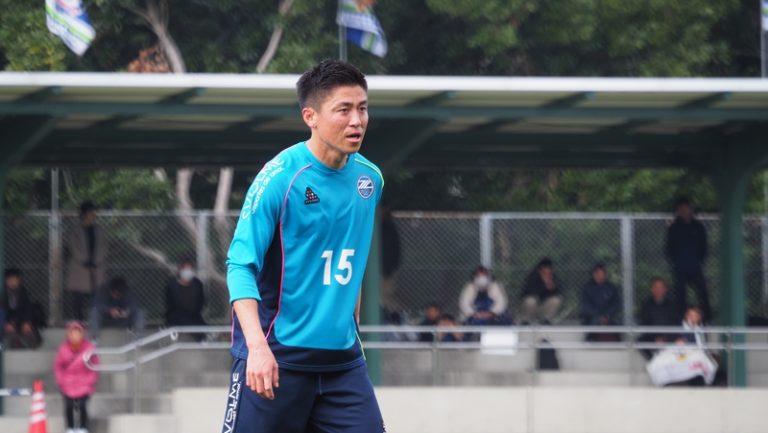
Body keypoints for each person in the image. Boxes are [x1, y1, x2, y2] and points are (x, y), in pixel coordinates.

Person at [222, 59, 384, 433]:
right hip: (276, 358)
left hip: (342, 364)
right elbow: (240, 265)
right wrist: (257, 350)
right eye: (343, 110)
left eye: (362, 108)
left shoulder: (370, 179)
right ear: (310, 116)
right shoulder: (280, 178)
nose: (357, 121)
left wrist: (349, 322)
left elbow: (351, 257)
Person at [666, 197, 711, 322]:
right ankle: (681, 320)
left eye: (686, 208)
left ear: (690, 210)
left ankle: (706, 319)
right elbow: (669, 248)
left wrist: (699, 261)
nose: (684, 211)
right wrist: (676, 262)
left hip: (695, 266)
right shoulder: (674, 227)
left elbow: (704, 246)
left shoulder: (698, 226)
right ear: (678, 211)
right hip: (680, 267)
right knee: (680, 295)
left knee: (703, 293)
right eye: (681, 209)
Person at [54, 321, 99, 433]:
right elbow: (58, 366)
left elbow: (95, 365)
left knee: (83, 405)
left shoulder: (89, 347)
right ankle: (70, 427)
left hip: (84, 382)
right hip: (67, 382)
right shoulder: (63, 348)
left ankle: (83, 427)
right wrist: (61, 380)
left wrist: (90, 380)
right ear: (68, 334)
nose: (75, 336)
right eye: (72, 333)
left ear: (82, 334)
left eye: (77, 333)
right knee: (68, 405)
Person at [65, 201, 108, 321]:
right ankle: (79, 322)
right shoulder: (75, 229)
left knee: (97, 295)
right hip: (80, 268)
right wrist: (84, 261)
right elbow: (73, 246)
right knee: (78, 296)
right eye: (92, 211)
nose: (94, 214)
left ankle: (96, 321)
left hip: (96, 267)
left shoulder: (99, 229)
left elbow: (104, 246)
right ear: (85, 213)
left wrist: (97, 260)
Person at [89, 277, 145, 342]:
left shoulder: (128, 291)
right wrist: (109, 311)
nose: (116, 296)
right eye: (114, 293)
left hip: (123, 319)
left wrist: (127, 311)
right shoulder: (102, 290)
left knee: (139, 312)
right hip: (106, 320)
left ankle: (137, 337)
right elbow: (96, 305)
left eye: (119, 294)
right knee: (95, 312)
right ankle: (94, 339)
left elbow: (135, 305)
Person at [637, 277, 679, 360]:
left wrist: (665, 337)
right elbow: (644, 323)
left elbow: (676, 323)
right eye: (655, 287)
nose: (658, 290)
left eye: (661, 287)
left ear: (665, 289)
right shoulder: (646, 304)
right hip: (652, 335)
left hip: (669, 335)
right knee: (641, 342)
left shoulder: (673, 304)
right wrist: (655, 337)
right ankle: (654, 362)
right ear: (651, 289)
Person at [1, 268, 43, 348]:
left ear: (19, 281)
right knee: (11, 336)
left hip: (20, 322)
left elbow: (28, 308)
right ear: (5, 281)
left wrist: (27, 322)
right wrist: (6, 323)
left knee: (34, 338)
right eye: (10, 280)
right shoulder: (3, 294)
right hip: (8, 323)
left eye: (15, 280)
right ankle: (15, 343)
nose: (12, 282)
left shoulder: (23, 292)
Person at [164, 260, 206, 340]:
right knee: (183, 321)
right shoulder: (172, 285)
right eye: (186, 269)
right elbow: (169, 304)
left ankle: (203, 338)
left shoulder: (197, 284)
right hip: (176, 315)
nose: (188, 272)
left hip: (194, 315)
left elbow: (201, 301)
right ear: (180, 270)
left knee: (199, 324)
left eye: (190, 269)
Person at [581, 264, 621, 341]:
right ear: (594, 274)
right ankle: (590, 341)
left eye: (602, 274)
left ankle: (618, 343)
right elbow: (586, 306)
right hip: (593, 317)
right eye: (598, 274)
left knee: (618, 324)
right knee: (593, 323)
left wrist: (607, 315)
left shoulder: (611, 287)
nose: (600, 276)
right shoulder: (587, 288)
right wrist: (599, 316)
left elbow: (615, 304)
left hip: (609, 317)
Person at [519, 258, 562, 325]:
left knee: (556, 300)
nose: (549, 270)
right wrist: (544, 285)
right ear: (540, 269)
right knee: (531, 300)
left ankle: (546, 319)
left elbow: (558, 293)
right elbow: (529, 293)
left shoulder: (552, 277)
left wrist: (552, 288)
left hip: (542, 307)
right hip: (530, 307)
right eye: (546, 268)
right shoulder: (532, 276)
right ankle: (525, 320)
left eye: (550, 268)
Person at [379, 203, 401, 313]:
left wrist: (390, 268)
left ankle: (387, 314)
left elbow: (395, 250)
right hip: (378, 269)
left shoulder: (389, 228)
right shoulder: (374, 227)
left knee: (386, 294)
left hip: (386, 269)